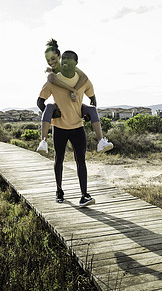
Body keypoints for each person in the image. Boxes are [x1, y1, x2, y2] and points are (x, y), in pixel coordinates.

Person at [37, 50, 94, 206]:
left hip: (78, 128)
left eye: (70, 60)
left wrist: (87, 115)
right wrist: (51, 113)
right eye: (64, 60)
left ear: (76, 63)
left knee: (81, 161)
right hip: (60, 128)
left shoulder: (84, 81)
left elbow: (93, 101)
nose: (66, 63)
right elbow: (40, 101)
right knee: (59, 160)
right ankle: (59, 191)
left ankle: (84, 195)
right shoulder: (53, 81)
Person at [36, 39, 113, 154]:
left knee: (92, 109)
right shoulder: (52, 76)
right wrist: (72, 91)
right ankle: (43, 142)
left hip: (76, 115)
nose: (51, 62)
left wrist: (78, 95)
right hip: (60, 111)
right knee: (49, 107)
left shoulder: (71, 69)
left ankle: (101, 141)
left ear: (59, 57)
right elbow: (52, 84)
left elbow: (84, 78)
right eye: (48, 60)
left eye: (53, 59)